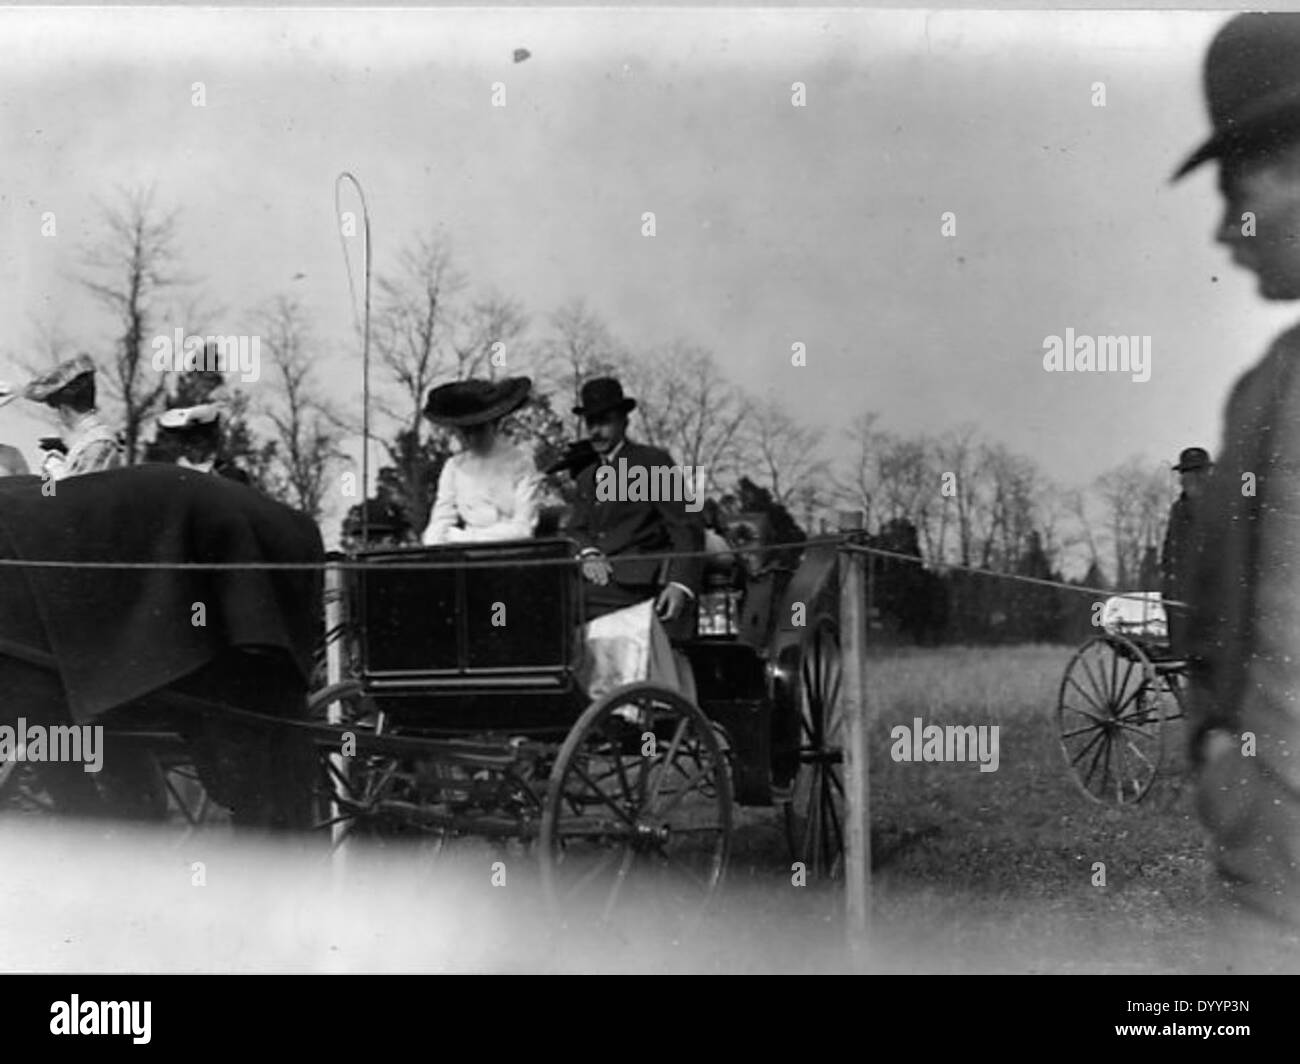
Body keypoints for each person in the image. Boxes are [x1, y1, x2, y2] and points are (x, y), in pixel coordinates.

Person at [1174, 12, 1300, 931]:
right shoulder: (1263, 395)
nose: (1223, 234)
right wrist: (1219, 750)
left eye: (1238, 189)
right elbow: (1217, 617)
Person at [421, 376, 542, 545]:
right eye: (464, 431)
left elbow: (523, 528)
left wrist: (464, 537)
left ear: (494, 424)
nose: (471, 438)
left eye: (478, 429)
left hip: (512, 554)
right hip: (466, 558)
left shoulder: (521, 462)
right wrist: (432, 544)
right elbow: (441, 519)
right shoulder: (454, 467)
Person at [23, 354, 123, 480]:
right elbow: (48, 493)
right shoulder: (86, 444)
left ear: (64, 407)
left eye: (54, 406)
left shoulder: (98, 445)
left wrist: (52, 462)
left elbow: (78, 495)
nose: (57, 415)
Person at [1160, 446, 1212, 656]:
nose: (1187, 478)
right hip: (1177, 582)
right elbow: (1170, 542)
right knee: (1172, 606)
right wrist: (1166, 567)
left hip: (1206, 584)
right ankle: (1179, 649)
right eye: (1185, 473)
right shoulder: (1178, 508)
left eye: (1194, 472)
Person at [155, 403, 251, 484]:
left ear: (212, 441)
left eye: (196, 442)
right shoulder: (164, 476)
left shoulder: (231, 477)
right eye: (184, 442)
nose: (188, 448)